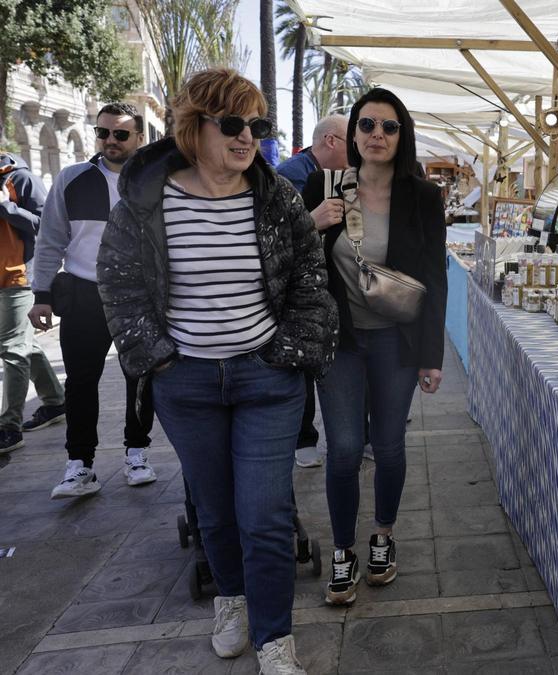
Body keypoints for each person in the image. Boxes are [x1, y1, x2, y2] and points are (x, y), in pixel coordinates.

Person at [96, 69, 337, 674]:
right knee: (216, 510)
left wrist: (289, 351)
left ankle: (275, 638)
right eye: (233, 124)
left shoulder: (275, 196)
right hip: (188, 383)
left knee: (265, 515)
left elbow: (310, 276)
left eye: (257, 126)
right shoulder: (147, 200)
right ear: (192, 127)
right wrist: (157, 359)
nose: (247, 137)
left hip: (267, 379)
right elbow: (121, 289)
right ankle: (231, 600)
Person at [300, 88, 446, 605]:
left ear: (401, 135)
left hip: (396, 342)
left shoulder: (423, 196)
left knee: (387, 445)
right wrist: (310, 222)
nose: (376, 135)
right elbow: (291, 255)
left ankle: (382, 535)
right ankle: (344, 550)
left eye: (388, 126)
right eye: (366, 125)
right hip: (339, 340)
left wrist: (432, 355)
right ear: (352, 134)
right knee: (341, 449)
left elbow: (433, 277)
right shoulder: (325, 184)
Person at [33, 102, 159, 499]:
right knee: (81, 384)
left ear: (139, 138)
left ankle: (137, 453)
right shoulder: (72, 179)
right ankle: (80, 466)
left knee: (140, 380)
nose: (110, 141)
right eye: (102, 133)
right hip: (84, 294)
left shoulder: (155, 182)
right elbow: (50, 240)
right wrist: (41, 295)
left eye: (120, 134)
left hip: (138, 297)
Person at [276, 115, 349, 469]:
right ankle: (303, 438)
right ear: (332, 141)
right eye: (353, 143)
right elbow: (273, 235)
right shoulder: (293, 174)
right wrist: (312, 219)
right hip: (294, 293)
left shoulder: (334, 175)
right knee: (300, 362)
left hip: (323, 287)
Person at [0, 153, 66, 454]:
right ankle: (55, 402)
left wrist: (7, 207)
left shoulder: (20, 178)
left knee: (12, 349)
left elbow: (45, 224)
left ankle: (9, 427)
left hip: (18, 278)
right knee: (25, 344)